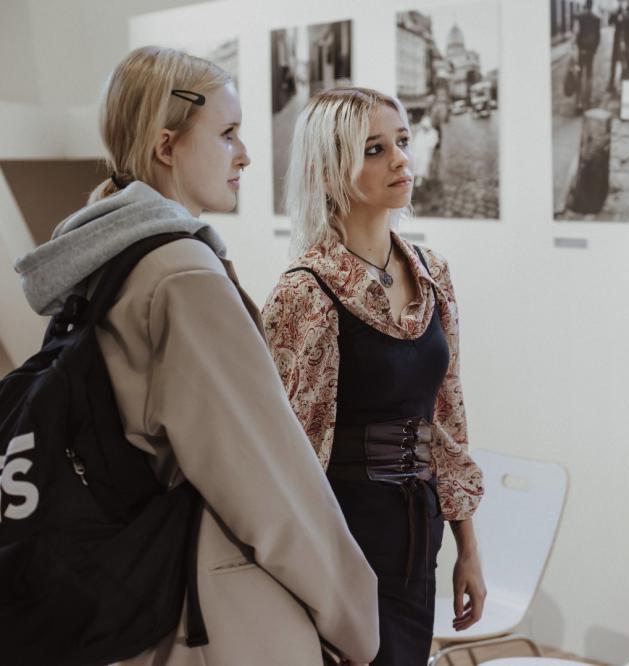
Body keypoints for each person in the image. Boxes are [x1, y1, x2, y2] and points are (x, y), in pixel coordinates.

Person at [13, 46, 378, 665]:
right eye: (228, 133)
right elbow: (264, 479)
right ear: (167, 146)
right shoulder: (182, 275)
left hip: (137, 595)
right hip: (213, 611)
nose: (246, 154)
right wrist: (356, 618)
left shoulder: (105, 262)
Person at [262, 87, 487, 665]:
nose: (401, 160)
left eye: (403, 142)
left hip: (418, 527)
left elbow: (448, 416)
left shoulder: (432, 273)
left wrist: (468, 545)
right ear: (328, 168)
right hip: (343, 533)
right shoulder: (305, 291)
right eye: (374, 149)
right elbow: (290, 448)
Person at [574, 0, 602, 112]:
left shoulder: (580, 17)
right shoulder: (596, 18)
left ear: (585, 5)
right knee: (589, 75)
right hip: (591, 50)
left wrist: (579, 47)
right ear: (592, 5)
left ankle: (578, 103)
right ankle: (587, 101)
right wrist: (594, 50)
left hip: (582, 50)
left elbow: (577, 33)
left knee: (579, 75)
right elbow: (598, 37)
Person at [608, 0, 629, 93]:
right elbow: (610, 22)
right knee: (615, 64)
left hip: (627, 43)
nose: (623, 3)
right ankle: (612, 84)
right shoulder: (618, 12)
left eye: (624, 1)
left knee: (626, 65)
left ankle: (625, 85)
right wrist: (615, 13)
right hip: (617, 43)